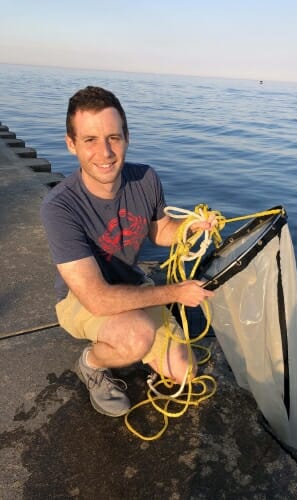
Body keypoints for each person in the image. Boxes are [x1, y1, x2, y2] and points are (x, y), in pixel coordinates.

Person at [41, 86, 215, 418]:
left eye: (113, 138)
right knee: (136, 337)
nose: (105, 153)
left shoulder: (146, 178)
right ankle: (91, 364)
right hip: (79, 299)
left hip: (133, 287)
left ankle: (139, 341)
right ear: (71, 143)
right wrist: (176, 292)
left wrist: (192, 226)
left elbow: (161, 231)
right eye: (90, 140)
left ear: (126, 137)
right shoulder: (60, 207)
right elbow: (97, 300)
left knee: (186, 372)